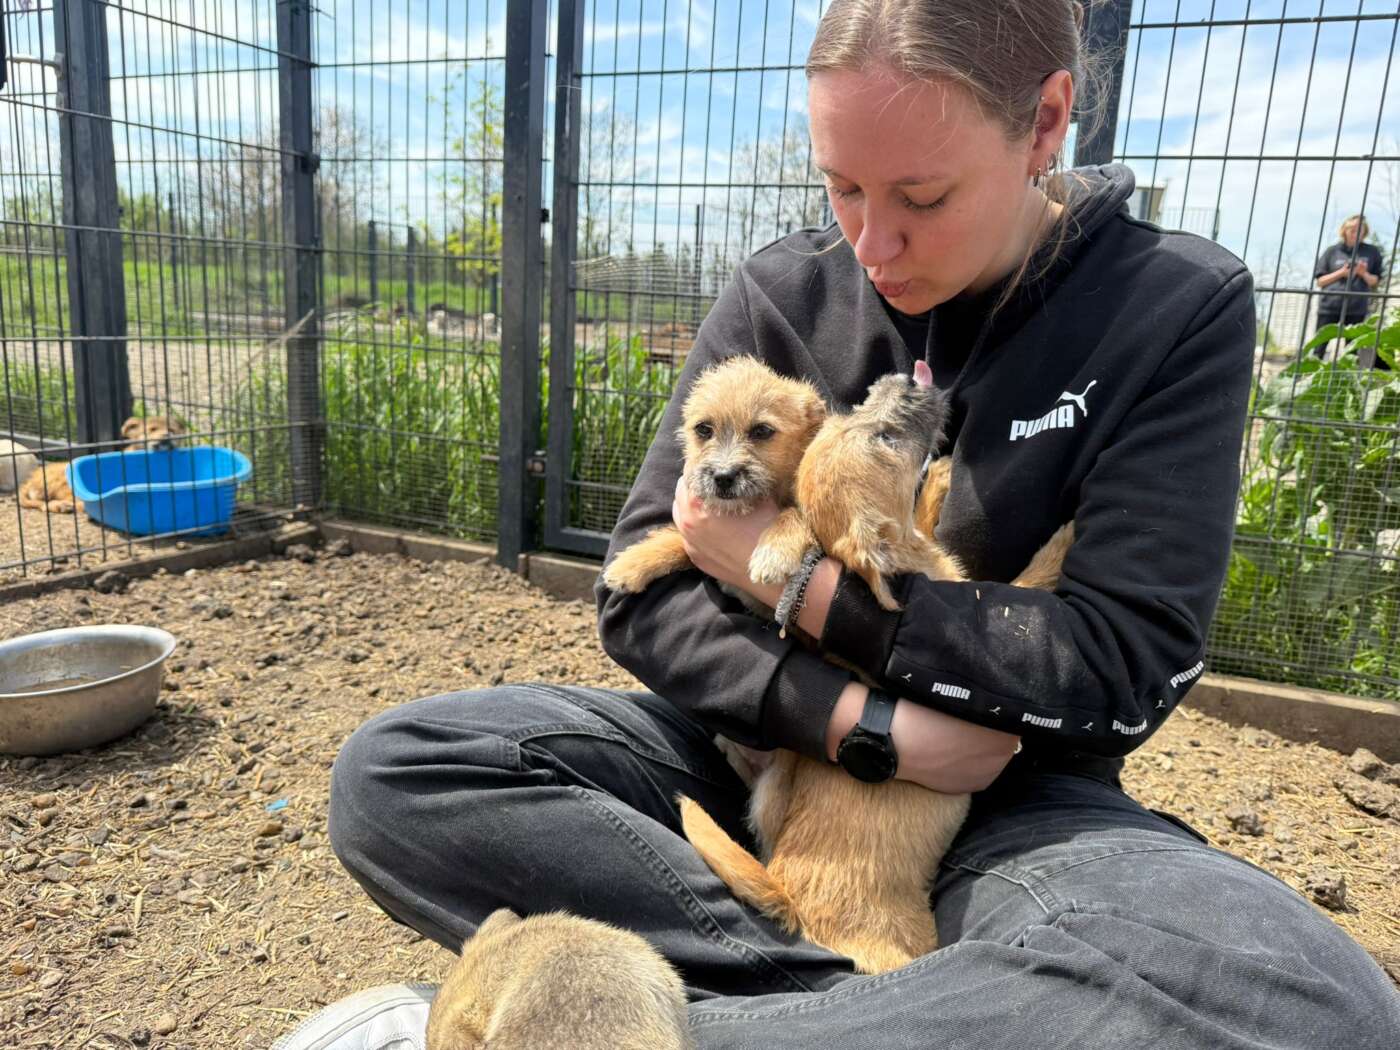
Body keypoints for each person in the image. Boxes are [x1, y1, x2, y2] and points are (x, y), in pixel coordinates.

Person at [289, 2, 1400, 1047]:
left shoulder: (1173, 305)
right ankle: (890, 1006)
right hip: (757, 748)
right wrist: (864, 727)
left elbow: (1118, 665)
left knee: (1313, 1004)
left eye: (922, 197)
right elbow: (639, 593)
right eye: (842, 188)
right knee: (404, 772)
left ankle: (615, 1020)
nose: (870, 245)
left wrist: (798, 588)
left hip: (1010, 799)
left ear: (1044, 123)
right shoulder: (781, 291)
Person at [1312, 214, 1387, 368]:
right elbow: (1320, 281)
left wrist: (1363, 273)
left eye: (1360, 229)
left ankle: (1346, 379)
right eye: (1352, 229)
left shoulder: (1372, 252)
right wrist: (1342, 273)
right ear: (1344, 230)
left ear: (1364, 232)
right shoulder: (1332, 251)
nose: (1355, 232)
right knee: (1319, 348)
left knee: (1352, 351)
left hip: (1356, 308)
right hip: (1329, 306)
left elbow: (1376, 281)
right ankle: (1310, 376)